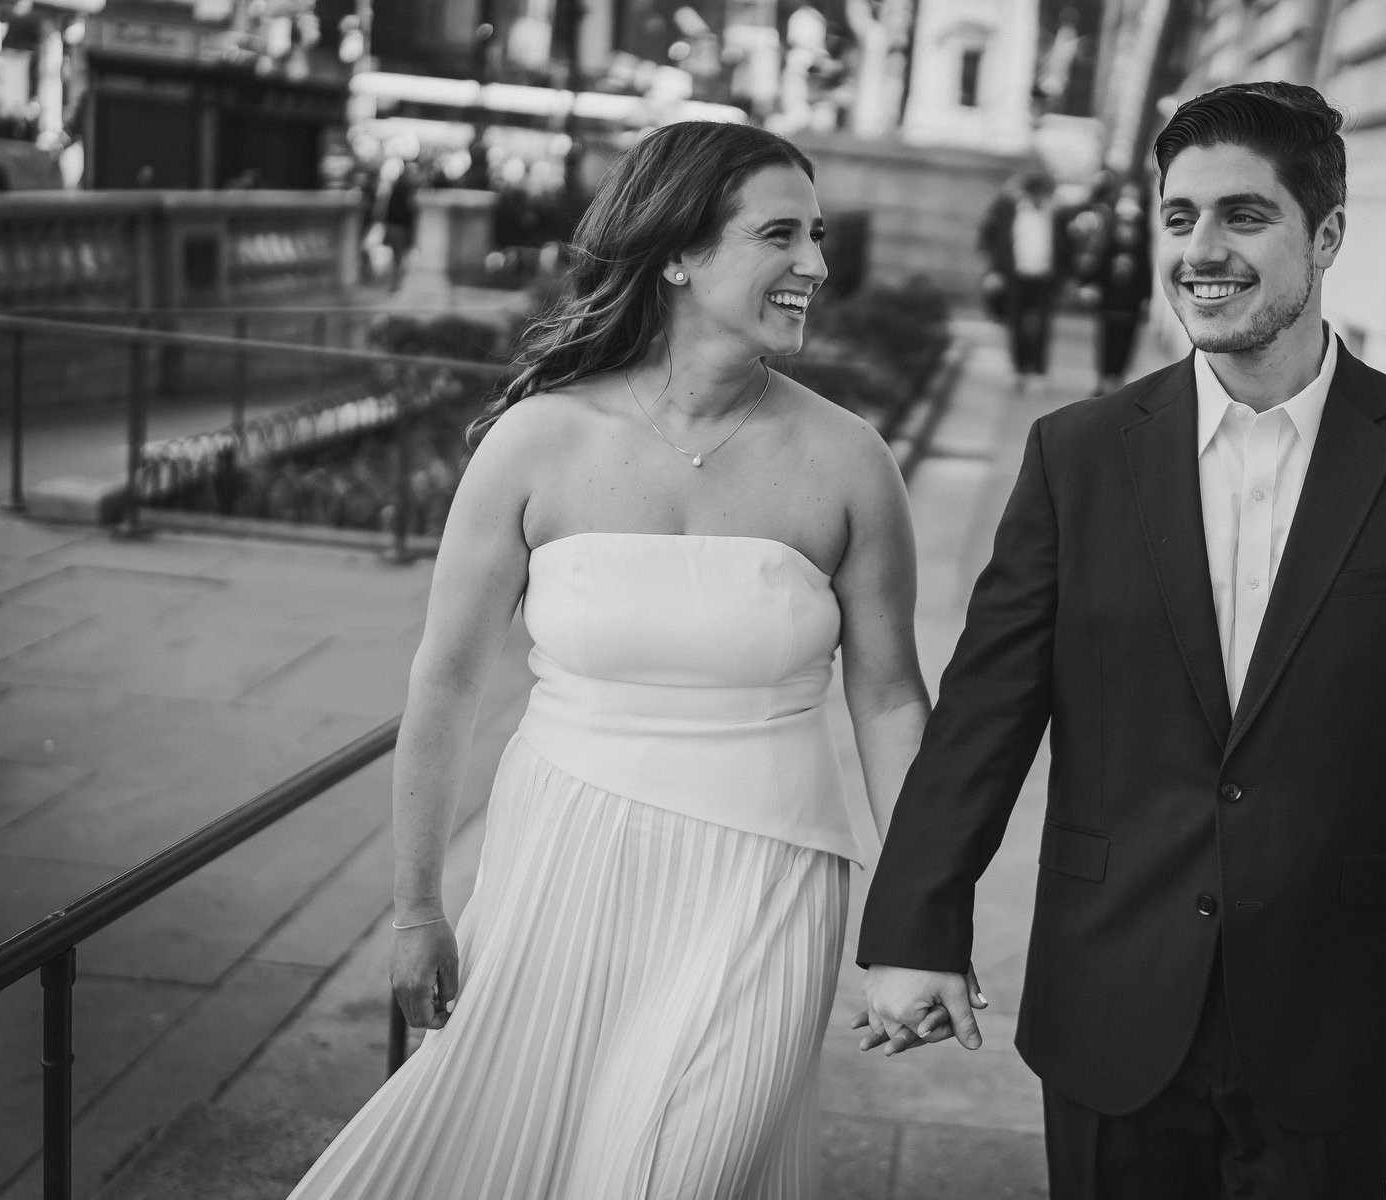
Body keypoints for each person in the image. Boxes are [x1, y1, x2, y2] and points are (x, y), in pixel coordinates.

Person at [856, 81, 1386, 1198]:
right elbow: (988, 711)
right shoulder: (1075, 458)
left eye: (1243, 216)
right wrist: (916, 926)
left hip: (1340, 1021)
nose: (1200, 250)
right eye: (1179, 218)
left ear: (1326, 235)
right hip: (1110, 993)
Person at [286, 120, 930, 1199]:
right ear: (680, 251)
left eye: (817, 236)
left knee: (682, 1172)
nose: (816, 265)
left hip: (767, 879)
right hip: (562, 865)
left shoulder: (848, 462)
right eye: (781, 235)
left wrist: (921, 918)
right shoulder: (537, 442)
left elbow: (892, 699)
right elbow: (443, 681)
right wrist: (416, 906)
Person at [978, 171, 1070, 387]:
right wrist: (994, 270)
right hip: (1016, 276)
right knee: (1016, 323)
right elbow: (992, 239)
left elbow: (1067, 246)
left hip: (1045, 277)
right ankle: (1018, 369)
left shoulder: (1056, 214)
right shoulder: (1008, 210)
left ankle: (1038, 371)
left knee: (1042, 326)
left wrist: (1066, 276)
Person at [1072, 173, 1156, 395]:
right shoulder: (1109, 227)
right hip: (1110, 296)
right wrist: (1089, 283)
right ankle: (1103, 378)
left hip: (1131, 299)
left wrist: (1147, 297)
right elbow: (1098, 260)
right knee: (1106, 339)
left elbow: (1146, 267)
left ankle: (1117, 379)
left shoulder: (1144, 233)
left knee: (1126, 340)